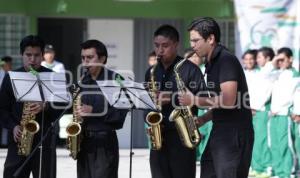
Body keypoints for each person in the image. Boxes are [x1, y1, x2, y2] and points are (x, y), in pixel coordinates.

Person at [179, 17, 254, 178]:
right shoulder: (212, 63)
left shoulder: (226, 60)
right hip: (220, 131)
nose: (192, 45)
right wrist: (204, 119)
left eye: (196, 40)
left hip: (234, 135)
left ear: (211, 38)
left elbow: (228, 100)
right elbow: (222, 103)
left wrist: (194, 100)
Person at [144, 24, 205, 178]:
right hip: (158, 137)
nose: (160, 50)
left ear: (176, 44)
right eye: (157, 46)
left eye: (165, 46)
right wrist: (149, 120)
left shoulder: (190, 69)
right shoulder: (151, 71)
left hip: (182, 137)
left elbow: (204, 99)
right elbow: (146, 101)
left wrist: (171, 98)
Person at [0, 35, 60, 178]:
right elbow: (2, 109)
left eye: (37, 55)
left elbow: (64, 105)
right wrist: (13, 127)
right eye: (28, 55)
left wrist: (46, 107)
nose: (32, 60)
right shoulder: (11, 77)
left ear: (42, 55)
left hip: (44, 141)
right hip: (18, 140)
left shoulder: (52, 76)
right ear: (22, 55)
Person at [76, 39, 128, 178]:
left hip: (104, 143)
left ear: (102, 58)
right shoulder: (83, 81)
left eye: (90, 57)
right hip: (83, 142)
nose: (85, 62)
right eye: (83, 58)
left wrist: (94, 111)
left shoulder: (116, 80)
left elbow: (119, 116)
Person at [269, 47, 299, 178]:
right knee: (274, 145)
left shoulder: (295, 75)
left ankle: (289, 172)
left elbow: (295, 96)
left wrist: (297, 112)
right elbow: (265, 76)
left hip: (284, 116)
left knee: (286, 146)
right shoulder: (277, 73)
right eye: (278, 60)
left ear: (291, 59)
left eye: (283, 59)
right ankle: (279, 172)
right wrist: (275, 60)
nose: (280, 62)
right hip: (273, 115)